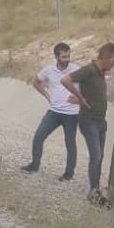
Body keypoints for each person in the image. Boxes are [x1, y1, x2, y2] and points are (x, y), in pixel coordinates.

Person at [61, 43, 114, 201]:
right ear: (106, 58)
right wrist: (80, 98)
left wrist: (80, 96)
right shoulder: (89, 70)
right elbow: (66, 80)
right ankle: (93, 192)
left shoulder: (100, 73)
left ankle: (96, 190)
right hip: (89, 121)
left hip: (101, 121)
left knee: (100, 156)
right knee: (96, 155)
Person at [22, 42, 80, 181]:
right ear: (56, 56)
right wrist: (47, 96)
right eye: (64, 57)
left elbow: (89, 86)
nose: (67, 59)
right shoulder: (49, 70)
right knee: (38, 137)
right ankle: (34, 165)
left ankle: (69, 173)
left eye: (68, 56)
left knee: (70, 143)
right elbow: (36, 82)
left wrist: (80, 98)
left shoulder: (76, 69)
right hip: (53, 112)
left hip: (71, 114)